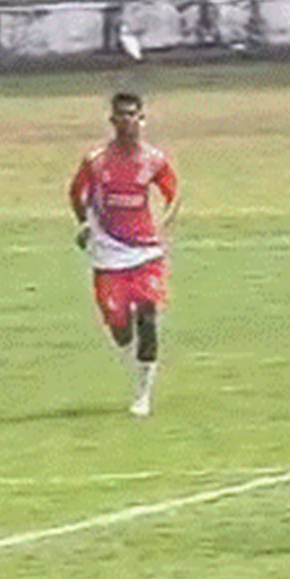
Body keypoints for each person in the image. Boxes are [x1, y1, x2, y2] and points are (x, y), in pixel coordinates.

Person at [68, 91, 181, 417]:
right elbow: (76, 193)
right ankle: (126, 341)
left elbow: (172, 192)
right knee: (120, 329)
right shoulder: (96, 161)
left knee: (148, 315)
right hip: (109, 256)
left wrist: (165, 222)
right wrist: (86, 225)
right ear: (112, 120)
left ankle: (142, 395)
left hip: (146, 253)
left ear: (141, 119)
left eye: (133, 114)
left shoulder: (153, 160)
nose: (127, 121)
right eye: (121, 115)